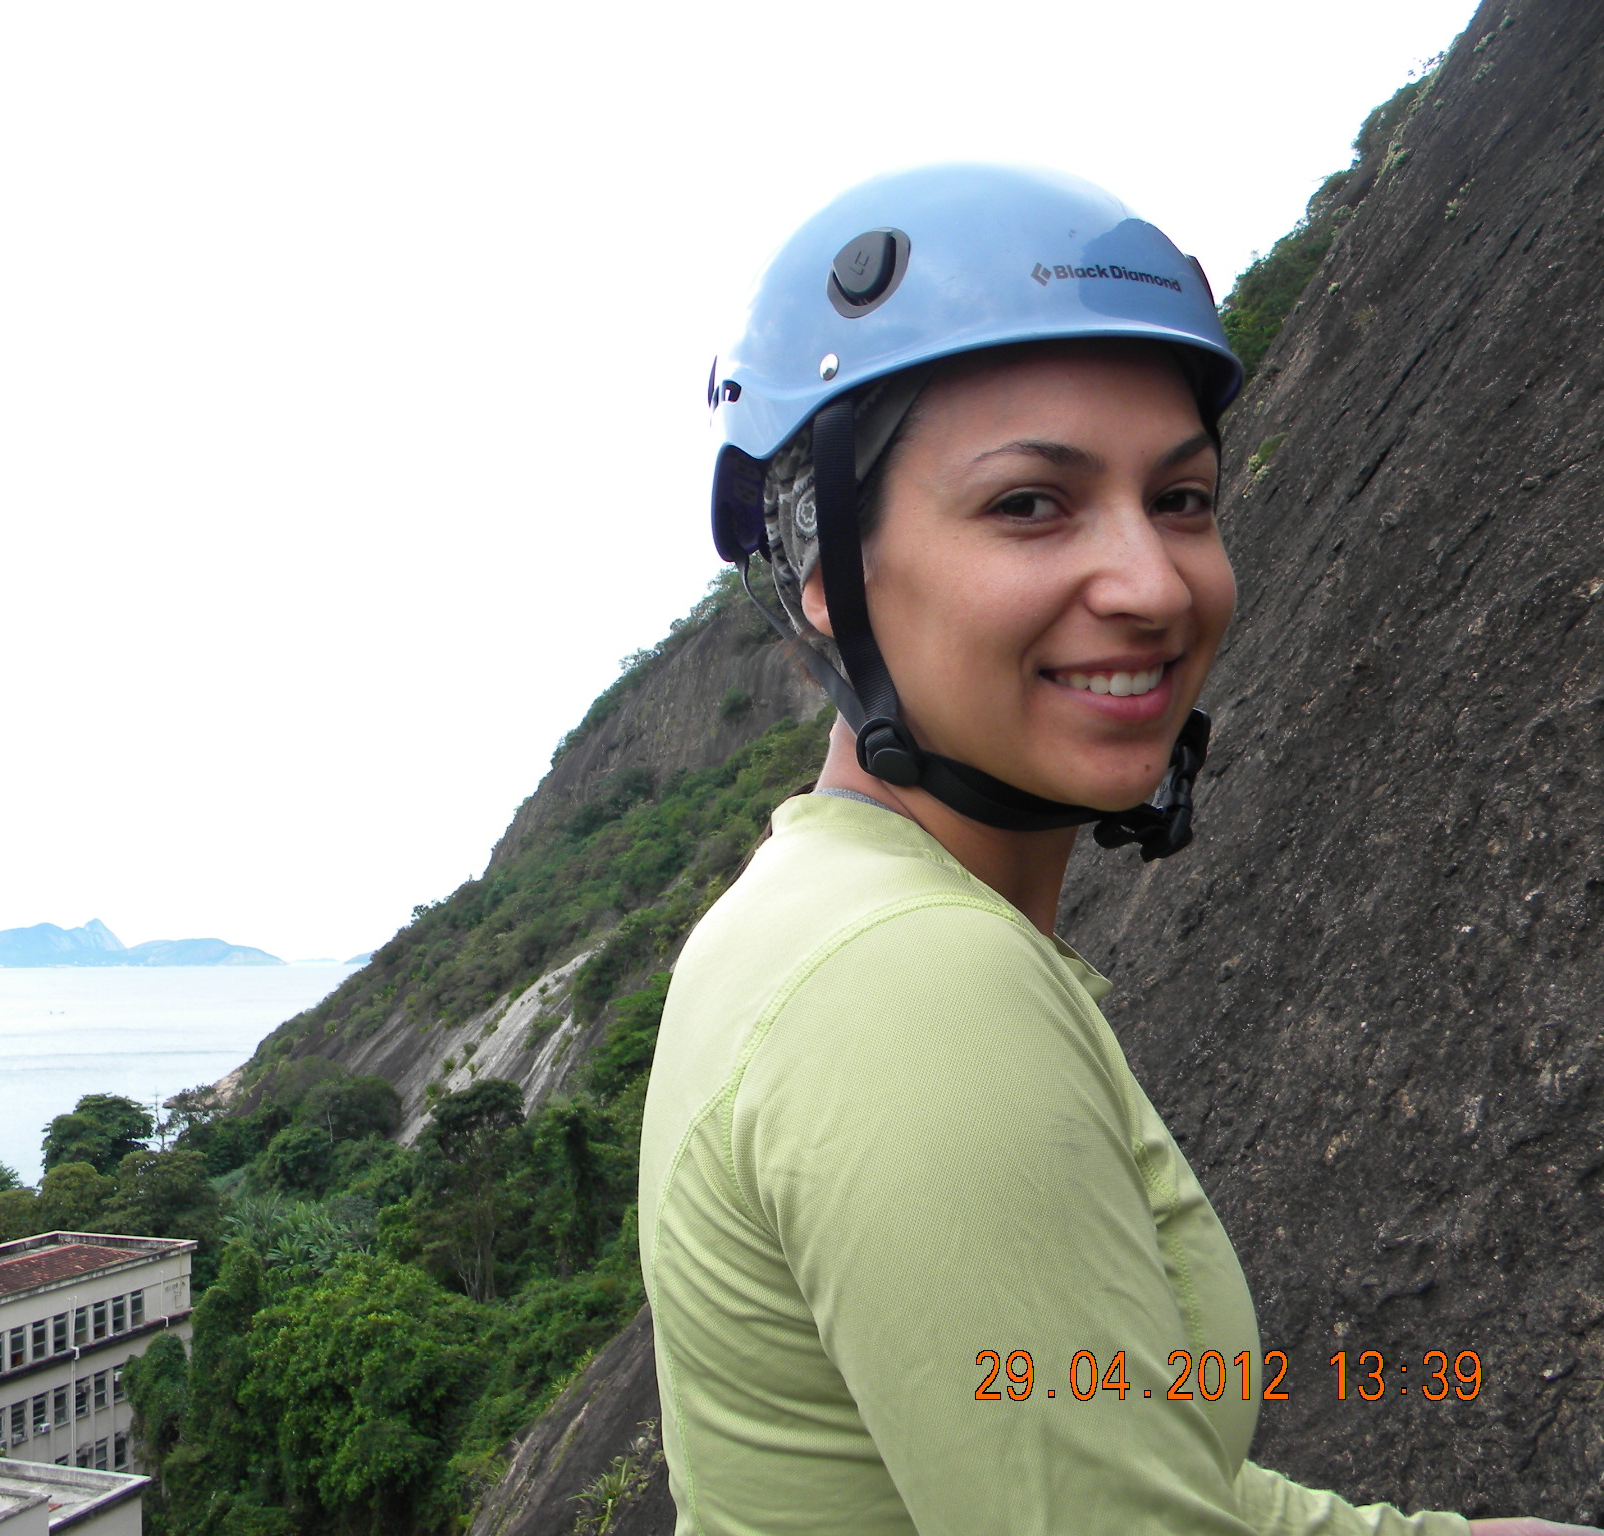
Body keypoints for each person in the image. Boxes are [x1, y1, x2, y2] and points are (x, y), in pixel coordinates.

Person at [637, 165, 1593, 1536]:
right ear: (831, 577)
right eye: (1031, 503)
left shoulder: (810, 906)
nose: (1152, 584)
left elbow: (1099, 1437)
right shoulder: (905, 989)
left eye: (1184, 498)